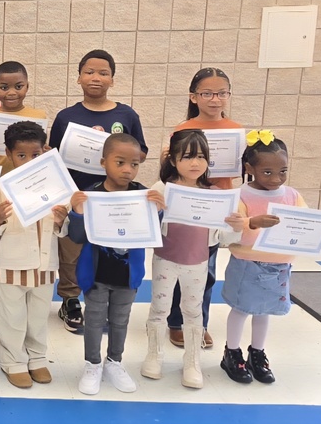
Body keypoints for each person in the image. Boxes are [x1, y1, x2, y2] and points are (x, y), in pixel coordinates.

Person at [219, 131, 321, 384]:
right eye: (267, 172)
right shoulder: (240, 195)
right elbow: (228, 228)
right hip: (248, 264)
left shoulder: (292, 195)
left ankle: (257, 352)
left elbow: (307, 221)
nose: (276, 178)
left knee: (265, 310)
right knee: (242, 309)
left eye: (283, 171)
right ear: (249, 168)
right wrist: (252, 222)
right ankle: (231, 352)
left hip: (280, 266)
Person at [47, 49, 148, 334]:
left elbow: (140, 151)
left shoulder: (126, 114)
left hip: (114, 198)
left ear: (112, 80)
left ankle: (102, 298)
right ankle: (69, 299)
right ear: (78, 77)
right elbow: (53, 155)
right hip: (77, 195)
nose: (96, 78)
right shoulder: (67, 116)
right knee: (72, 250)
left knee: (106, 249)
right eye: (89, 72)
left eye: (103, 73)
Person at [143, 130, 244, 389]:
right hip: (165, 259)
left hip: (198, 262)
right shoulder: (161, 188)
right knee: (160, 308)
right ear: (173, 160)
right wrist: (152, 207)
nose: (195, 163)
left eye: (201, 156)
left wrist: (235, 225)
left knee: (193, 310)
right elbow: (146, 225)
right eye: (187, 156)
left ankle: (192, 362)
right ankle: (154, 355)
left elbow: (224, 237)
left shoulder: (213, 193)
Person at [66, 133, 164, 396]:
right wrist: (76, 213)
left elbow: (154, 233)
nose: (127, 170)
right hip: (96, 274)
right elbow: (76, 237)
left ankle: (114, 362)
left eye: (134, 164)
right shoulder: (91, 195)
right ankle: (92, 364)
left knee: (121, 321)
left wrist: (159, 211)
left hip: (128, 275)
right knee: (94, 320)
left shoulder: (143, 194)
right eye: (120, 162)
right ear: (103, 162)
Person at [0, 121, 66, 389]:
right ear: (8, 154)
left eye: (36, 155)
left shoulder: (57, 184)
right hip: (12, 264)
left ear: (45, 151)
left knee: (39, 316)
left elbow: (64, 228)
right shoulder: (1, 186)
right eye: (21, 155)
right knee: (12, 316)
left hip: (44, 264)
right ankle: (13, 361)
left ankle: (37, 358)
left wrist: (62, 220)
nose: (29, 161)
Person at [166, 67, 242, 349]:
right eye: (207, 93)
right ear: (193, 96)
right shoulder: (183, 130)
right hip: (186, 206)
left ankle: (200, 323)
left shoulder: (236, 130)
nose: (214, 99)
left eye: (221, 93)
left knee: (207, 270)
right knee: (179, 265)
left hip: (218, 207)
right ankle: (175, 322)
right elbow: (170, 171)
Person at [0, 60, 49, 323]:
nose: (11, 92)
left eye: (18, 86)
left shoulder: (39, 116)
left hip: (29, 188)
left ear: (27, 86)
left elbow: (42, 149)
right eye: (4, 87)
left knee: (24, 238)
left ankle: (27, 285)